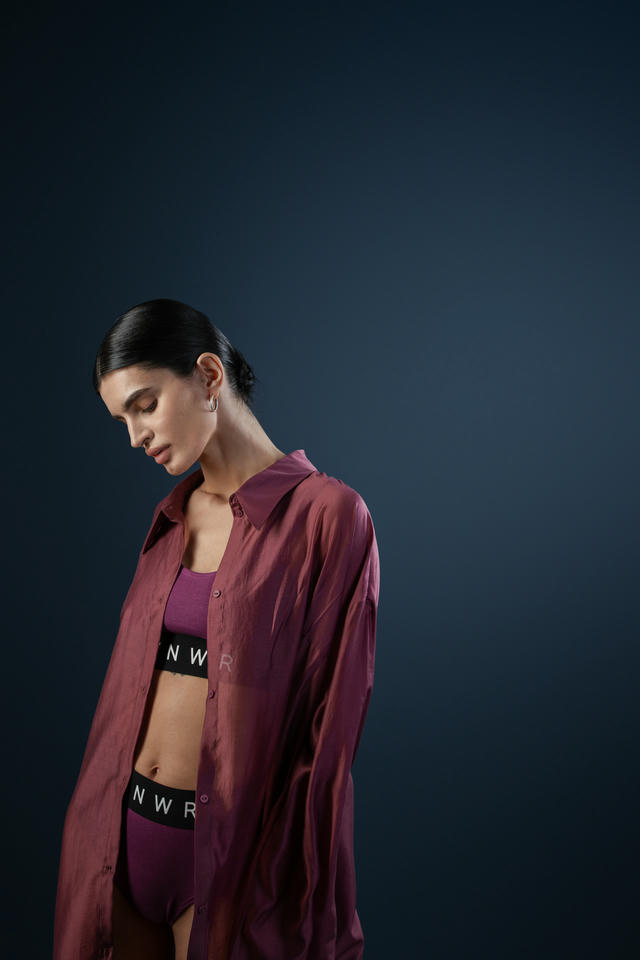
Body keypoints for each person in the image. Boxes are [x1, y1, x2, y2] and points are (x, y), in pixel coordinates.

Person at [53, 298, 380, 960]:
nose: (135, 436)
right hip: (115, 843)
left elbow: (325, 744)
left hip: (231, 867)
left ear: (207, 375)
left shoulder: (330, 519)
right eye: (122, 420)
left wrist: (285, 886)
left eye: (145, 405)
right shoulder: (170, 518)